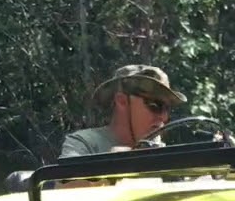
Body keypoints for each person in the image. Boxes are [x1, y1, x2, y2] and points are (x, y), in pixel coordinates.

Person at [59, 64, 188, 159]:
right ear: (122, 101)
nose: (164, 117)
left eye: (167, 108)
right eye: (155, 105)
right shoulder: (85, 144)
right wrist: (112, 166)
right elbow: (65, 186)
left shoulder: (162, 152)